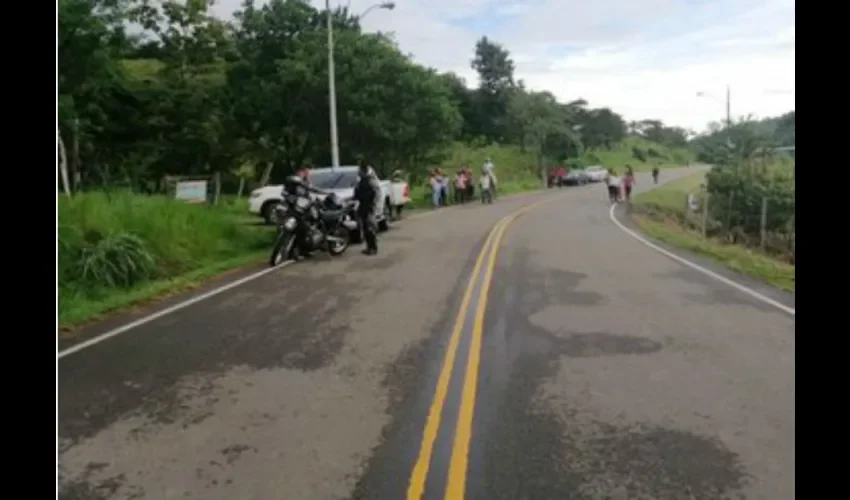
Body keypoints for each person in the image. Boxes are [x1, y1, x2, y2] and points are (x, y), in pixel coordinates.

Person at [354, 162, 381, 255]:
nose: (358, 172)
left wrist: (372, 206)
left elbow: (376, 195)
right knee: (365, 228)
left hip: (369, 207)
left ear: (363, 171)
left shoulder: (370, 181)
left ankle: (373, 248)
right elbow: (358, 194)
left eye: (360, 170)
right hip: (363, 207)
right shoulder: (362, 181)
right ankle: (369, 247)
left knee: (369, 228)